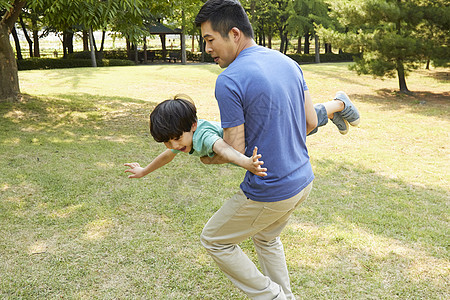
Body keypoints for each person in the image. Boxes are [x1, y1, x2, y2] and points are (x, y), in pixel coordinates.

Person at [194, 1, 360, 299]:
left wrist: (206, 156)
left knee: (214, 239)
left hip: (271, 190)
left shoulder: (228, 80)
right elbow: (310, 122)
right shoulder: (287, 62)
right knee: (266, 237)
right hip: (303, 181)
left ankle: (274, 296)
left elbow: (236, 148)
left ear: (233, 33)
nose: (207, 49)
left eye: (209, 40)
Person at [124, 94, 268, 179]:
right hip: (254, 158)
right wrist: (143, 171)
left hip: (259, 149)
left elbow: (223, 148)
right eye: (167, 142)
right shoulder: (183, 138)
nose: (174, 146)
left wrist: (247, 164)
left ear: (193, 125)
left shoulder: (203, 135)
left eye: (177, 139)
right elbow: (167, 156)